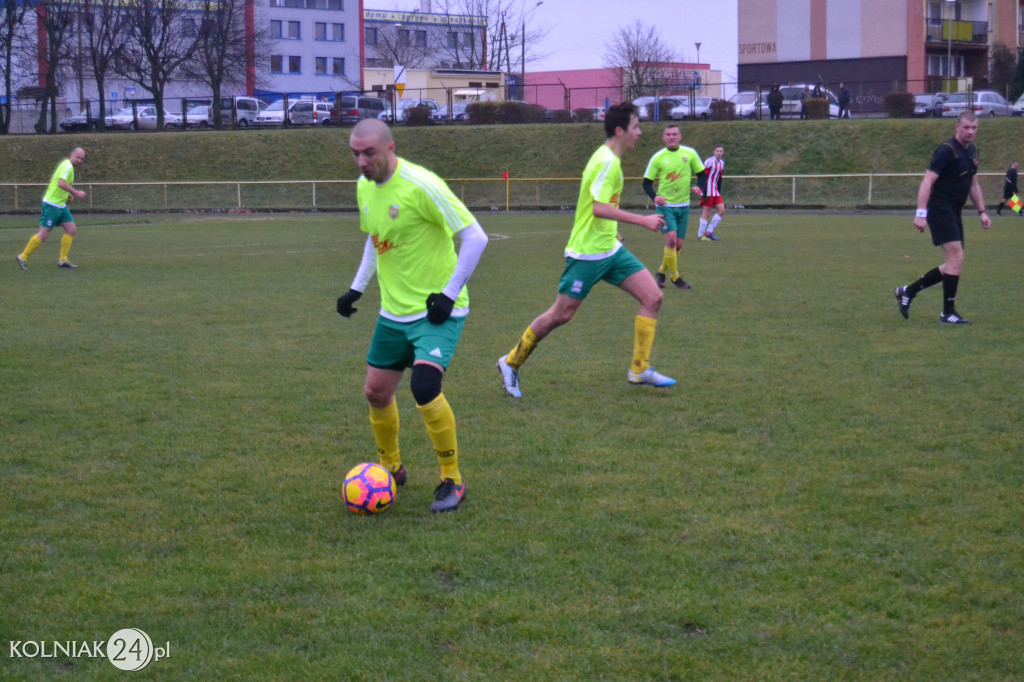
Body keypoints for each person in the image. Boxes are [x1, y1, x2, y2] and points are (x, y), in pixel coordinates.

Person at [336, 118, 488, 513]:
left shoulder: (423, 185)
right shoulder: (363, 188)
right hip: (393, 312)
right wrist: (357, 288)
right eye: (355, 153)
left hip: (436, 311)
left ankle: (452, 479)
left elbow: (476, 236)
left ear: (390, 148)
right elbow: (376, 240)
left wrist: (448, 296)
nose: (361, 162)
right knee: (376, 392)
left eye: (368, 152)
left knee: (424, 387)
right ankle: (391, 469)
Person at [496, 102, 674, 398]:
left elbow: (599, 206)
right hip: (586, 254)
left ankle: (640, 368)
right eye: (635, 127)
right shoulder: (606, 162)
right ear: (620, 131)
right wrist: (641, 220)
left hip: (610, 250)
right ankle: (511, 362)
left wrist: (613, 232)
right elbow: (598, 206)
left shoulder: (610, 160)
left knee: (653, 297)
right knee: (561, 315)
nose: (639, 133)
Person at [895, 111, 990, 325]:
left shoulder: (972, 151)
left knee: (953, 263)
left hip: (954, 211)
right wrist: (921, 214)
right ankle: (947, 313)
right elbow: (927, 181)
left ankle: (907, 292)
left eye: (974, 128)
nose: (970, 132)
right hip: (939, 209)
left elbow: (973, 184)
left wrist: (982, 212)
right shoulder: (947, 151)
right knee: (956, 258)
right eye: (966, 127)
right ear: (957, 127)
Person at [641, 124, 704, 289]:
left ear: (680, 136)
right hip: (666, 206)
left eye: (674, 134)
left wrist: (700, 187)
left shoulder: (689, 153)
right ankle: (676, 278)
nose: (671, 137)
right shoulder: (658, 157)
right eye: (668, 134)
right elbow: (646, 183)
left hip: (684, 206)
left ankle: (661, 271)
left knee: (678, 245)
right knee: (670, 240)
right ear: (663, 137)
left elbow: (702, 174)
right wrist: (655, 197)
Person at [15, 147, 87, 270]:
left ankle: (63, 260)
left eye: (82, 159)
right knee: (44, 233)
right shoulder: (68, 166)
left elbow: (53, 179)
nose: (80, 160)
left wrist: (66, 194)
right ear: (72, 155)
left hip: (60, 204)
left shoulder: (65, 164)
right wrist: (76, 193)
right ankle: (23, 256)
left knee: (71, 229)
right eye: (78, 157)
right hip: (52, 205)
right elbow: (60, 183)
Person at [697, 145, 726, 241]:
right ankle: (700, 235)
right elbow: (703, 176)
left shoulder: (722, 163)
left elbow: (719, 178)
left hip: (715, 191)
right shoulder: (709, 162)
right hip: (707, 190)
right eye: (717, 151)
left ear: (723, 153)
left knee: (721, 210)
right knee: (707, 212)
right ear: (714, 152)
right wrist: (704, 191)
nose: (719, 153)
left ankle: (709, 231)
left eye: (721, 151)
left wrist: (719, 190)